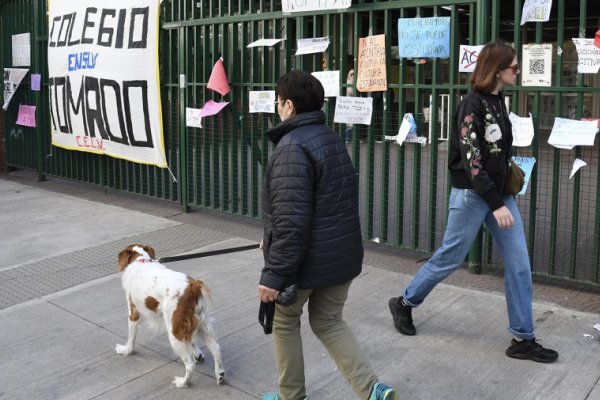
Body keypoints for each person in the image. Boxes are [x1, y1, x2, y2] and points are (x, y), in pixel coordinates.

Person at [388, 41, 559, 363]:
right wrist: (497, 204)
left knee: (520, 266)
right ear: (496, 70)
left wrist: (503, 193)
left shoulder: (498, 101)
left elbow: (497, 152)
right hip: (473, 197)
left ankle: (522, 338)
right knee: (450, 258)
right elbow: (472, 161)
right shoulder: (472, 104)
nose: (517, 71)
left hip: (498, 196)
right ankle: (404, 303)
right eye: (513, 67)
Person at [258, 70, 397, 400]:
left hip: (307, 263)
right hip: (341, 257)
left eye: (279, 102)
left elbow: (293, 221)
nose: (278, 108)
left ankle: (290, 395)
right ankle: (372, 389)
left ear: (289, 105)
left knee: (284, 321)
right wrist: (272, 234)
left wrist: (274, 274)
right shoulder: (331, 139)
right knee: (329, 321)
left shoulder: (291, 147)